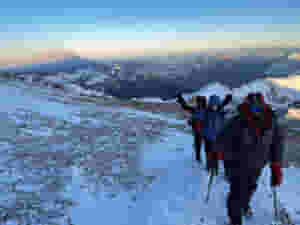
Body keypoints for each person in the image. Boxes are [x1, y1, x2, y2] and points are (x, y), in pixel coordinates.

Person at [208, 92, 286, 225]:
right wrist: (215, 153)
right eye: (253, 107)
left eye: (259, 107)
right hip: (237, 164)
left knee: (250, 188)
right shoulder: (238, 121)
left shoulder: (271, 122)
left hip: (257, 165)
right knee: (236, 194)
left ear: (264, 105)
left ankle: (244, 205)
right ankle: (235, 221)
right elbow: (222, 138)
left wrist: (276, 165)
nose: (256, 111)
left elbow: (277, 143)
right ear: (247, 106)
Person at [176, 94, 207, 163]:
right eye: (198, 101)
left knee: (203, 146)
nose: (198, 103)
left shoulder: (200, 110)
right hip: (199, 131)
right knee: (199, 145)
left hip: (202, 131)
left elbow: (186, 107)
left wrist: (181, 100)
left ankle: (202, 159)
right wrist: (181, 100)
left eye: (199, 101)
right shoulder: (199, 110)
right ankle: (199, 159)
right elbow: (186, 107)